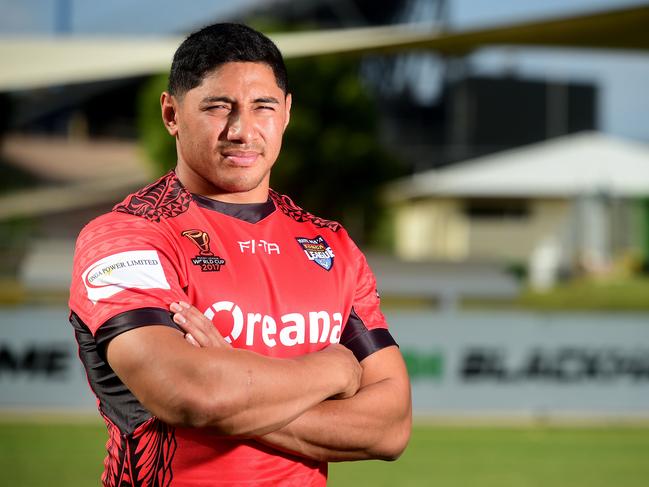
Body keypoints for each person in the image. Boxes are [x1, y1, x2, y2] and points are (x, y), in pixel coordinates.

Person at [68, 22, 411, 487]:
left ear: (286, 113)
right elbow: (191, 395)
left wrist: (233, 382)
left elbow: (389, 428)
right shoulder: (127, 237)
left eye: (263, 107)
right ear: (171, 113)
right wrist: (332, 369)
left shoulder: (331, 246)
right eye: (217, 107)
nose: (241, 130)